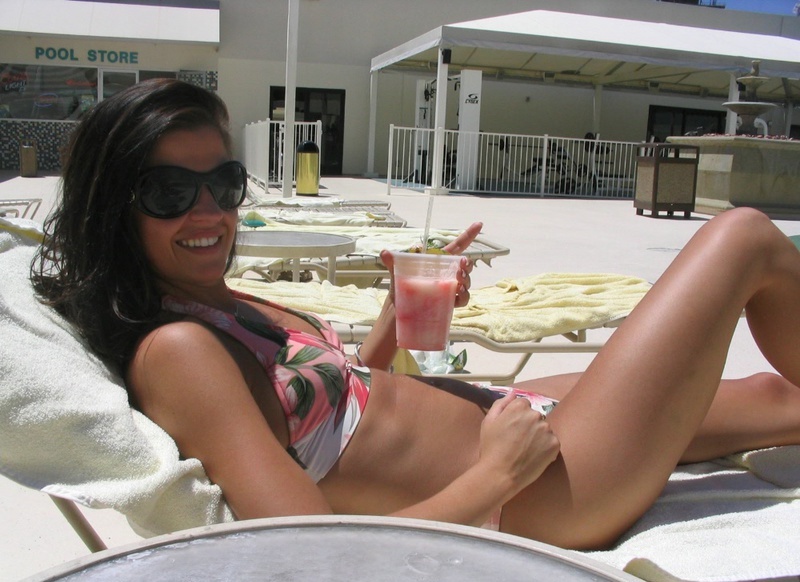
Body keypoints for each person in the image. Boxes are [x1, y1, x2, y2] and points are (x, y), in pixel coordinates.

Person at [31, 79, 800, 551]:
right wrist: (497, 474)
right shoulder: (178, 350)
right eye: (170, 192)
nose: (209, 212)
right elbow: (308, 554)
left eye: (225, 184)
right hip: (542, 493)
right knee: (743, 238)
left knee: (775, 398)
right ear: (113, 207)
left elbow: (344, 419)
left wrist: (398, 316)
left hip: (515, 428)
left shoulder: (216, 302)